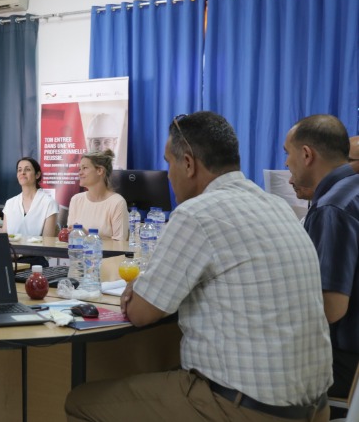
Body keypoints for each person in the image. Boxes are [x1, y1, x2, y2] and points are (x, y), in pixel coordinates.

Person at [65, 112, 331, 422]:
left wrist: (137, 288)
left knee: (80, 401)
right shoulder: (276, 205)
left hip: (243, 407)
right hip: (314, 407)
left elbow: (140, 312)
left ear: (188, 163)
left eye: (170, 163)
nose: (168, 175)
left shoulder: (197, 213)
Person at [284, 115, 359, 404]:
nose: (287, 165)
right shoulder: (351, 189)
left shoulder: (332, 208)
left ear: (306, 154)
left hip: (343, 360)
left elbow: (331, 308)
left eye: (287, 154)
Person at [66, 149, 127, 241]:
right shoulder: (76, 200)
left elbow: (120, 243)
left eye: (85, 168)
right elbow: (72, 236)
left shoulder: (117, 202)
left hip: (107, 255)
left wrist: (88, 235)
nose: (80, 173)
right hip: (78, 254)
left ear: (99, 170)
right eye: (79, 169)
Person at [2, 157, 58, 237]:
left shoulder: (49, 203)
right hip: (11, 249)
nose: (22, 173)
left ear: (37, 175)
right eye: (19, 170)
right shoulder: (10, 203)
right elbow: (4, 238)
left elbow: (47, 242)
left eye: (27, 169)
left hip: (37, 249)